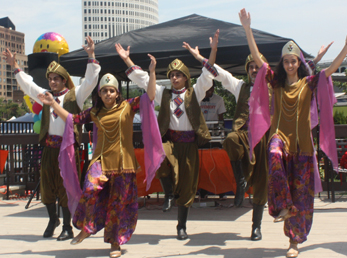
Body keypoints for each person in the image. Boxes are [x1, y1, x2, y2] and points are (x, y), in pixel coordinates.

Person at [184, 34, 332, 242]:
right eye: (250, 67)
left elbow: (297, 74)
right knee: (230, 139)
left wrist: (314, 61)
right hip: (245, 137)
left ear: (262, 69)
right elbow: (218, 73)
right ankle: (240, 181)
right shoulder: (239, 87)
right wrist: (202, 57)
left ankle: (256, 226)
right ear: (247, 71)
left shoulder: (275, 85)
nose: (254, 70)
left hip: (266, 138)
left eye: (257, 66)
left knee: (263, 184)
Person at [239, 8, 347, 257]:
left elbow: (331, 69)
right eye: (286, 61)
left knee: (302, 196)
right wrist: (247, 29)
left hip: (303, 146)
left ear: (299, 63)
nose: (290, 64)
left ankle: (294, 242)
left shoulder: (309, 83)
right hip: (280, 138)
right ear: (282, 64)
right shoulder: (276, 82)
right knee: (273, 155)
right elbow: (258, 60)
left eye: (294, 61)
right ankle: (281, 206)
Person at [37, 61, 160, 257]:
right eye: (104, 91)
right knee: (90, 188)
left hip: (124, 164)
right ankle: (87, 228)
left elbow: (151, 96)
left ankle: (115, 244)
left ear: (117, 93)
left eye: (111, 91)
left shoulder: (128, 107)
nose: (108, 94)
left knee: (118, 206)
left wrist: (152, 72)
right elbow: (71, 119)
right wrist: (52, 104)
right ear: (100, 94)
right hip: (101, 161)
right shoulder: (94, 112)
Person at [121, 29, 219, 240]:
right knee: (160, 155)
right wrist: (128, 60)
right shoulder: (163, 95)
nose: (175, 78)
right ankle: (167, 194)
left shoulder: (196, 93)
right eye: (172, 75)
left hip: (190, 144)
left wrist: (212, 51)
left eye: (179, 75)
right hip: (171, 142)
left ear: (185, 77)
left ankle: (181, 226)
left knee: (187, 185)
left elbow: (208, 74)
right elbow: (143, 79)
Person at [2, 36, 100, 241]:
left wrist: (91, 55)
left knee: (66, 187)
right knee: (46, 187)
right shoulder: (46, 96)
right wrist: (15, 66)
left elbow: (90, 82)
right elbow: (29, 86)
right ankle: (52, 219)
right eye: (50, 79)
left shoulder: (75, 96)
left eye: (57, 78)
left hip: (69, 150)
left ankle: (67, 227)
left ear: (64, 80)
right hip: (49, 148)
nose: (53, 82)